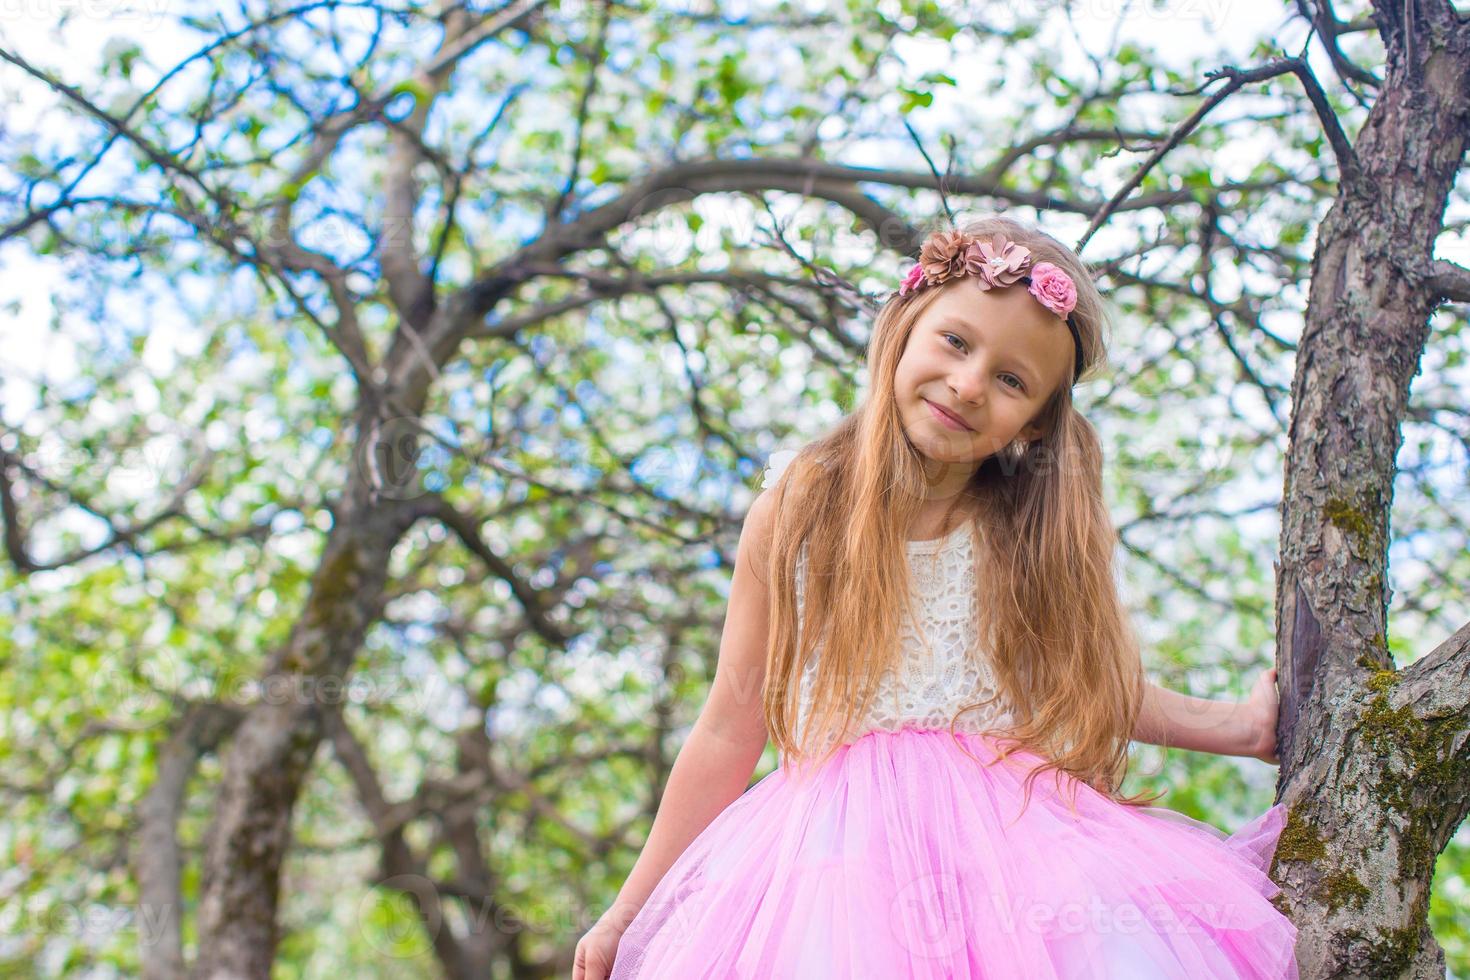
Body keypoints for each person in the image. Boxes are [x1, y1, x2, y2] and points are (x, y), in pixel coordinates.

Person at [573, 215, 1299, 979]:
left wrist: (1241, 727)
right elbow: (729, 723)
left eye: (1012, 380)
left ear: (1037, 423)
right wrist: (631, 909)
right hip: (833, 874)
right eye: (955, 342)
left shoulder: (1027, 536)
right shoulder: (796, 514)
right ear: (904, 323)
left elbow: (1092, 690)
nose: (969, 384)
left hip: (1012, 858)